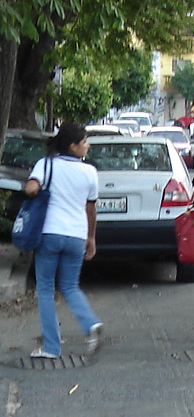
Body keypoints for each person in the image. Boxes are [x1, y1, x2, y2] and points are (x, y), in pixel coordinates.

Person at [24, 122, 103, 358]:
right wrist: (91, 237)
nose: (87, 146)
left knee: (46, 289)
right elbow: (91, 210)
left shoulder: (45, 164)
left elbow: (30, 189)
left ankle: (51, 346)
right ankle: (90, 323)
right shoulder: (90, 171)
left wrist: (32, 190)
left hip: (49, 233)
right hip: (76, 235)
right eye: (84, 142)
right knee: (69, 286)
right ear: (73, 146)